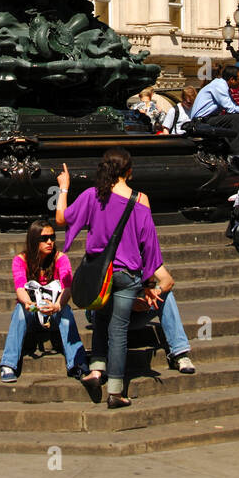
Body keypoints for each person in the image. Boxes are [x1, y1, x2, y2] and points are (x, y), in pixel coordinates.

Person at [55, 146, 163, 408]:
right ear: (129, 171)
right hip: (127, 274)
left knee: (102, 320)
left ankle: (95, 371)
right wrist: (149, 282)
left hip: (99, 273)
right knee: (118, 331)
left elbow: (61, 219)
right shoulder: (140, 199)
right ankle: (115, 392)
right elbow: (149, 244)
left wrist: (64, 187)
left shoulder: (94, 195)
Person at [0, 219, 97, 385]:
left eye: (52, 237)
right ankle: (8, 364)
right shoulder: (21, 260)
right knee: (20, 311)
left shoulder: (61, 259)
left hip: (54, 310)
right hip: (32, 310)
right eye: (44, 238)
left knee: (66, 312)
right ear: (33, 240)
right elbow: (20, 287)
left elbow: (67, 287)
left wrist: (57, 305)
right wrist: (31, 305)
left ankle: (77, 363)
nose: (50, 242)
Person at [127, 263, 195, 373]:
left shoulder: (145, 255)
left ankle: (180, 353)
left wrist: (155, 292)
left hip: (136, 314)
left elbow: (167, 280)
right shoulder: (116, 254)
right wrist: (129, 303)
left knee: (166, 295)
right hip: (111, 313)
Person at [188, 64, 239, 166]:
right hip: (201, 121)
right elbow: (231, 107)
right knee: (236, 118)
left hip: (209, 119)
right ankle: (234, 156)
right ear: (231, 79)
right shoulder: (220, 85)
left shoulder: (223, 86)